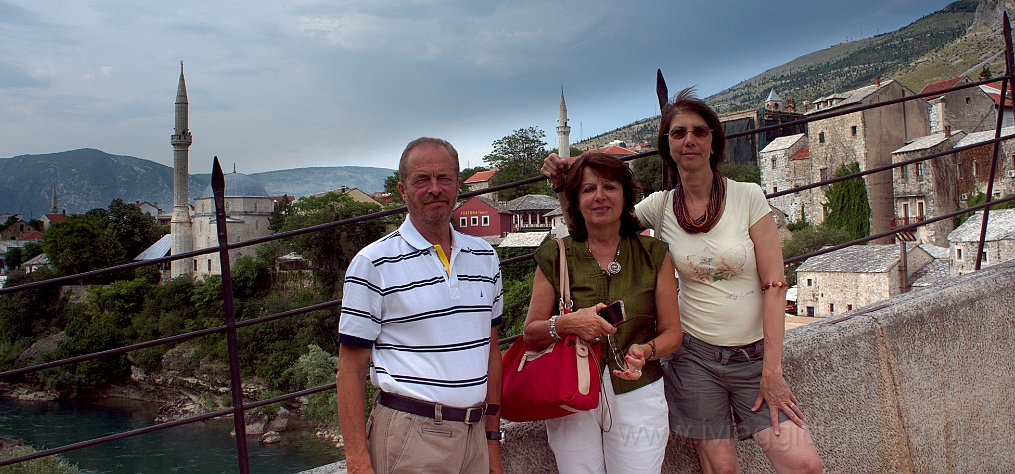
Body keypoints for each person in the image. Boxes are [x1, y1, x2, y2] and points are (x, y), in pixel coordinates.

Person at [542, 88, 823, 474]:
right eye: (678, 133)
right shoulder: (660, 206)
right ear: (667, 146)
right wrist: (565, 188)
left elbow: (775, 286)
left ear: (713, 142)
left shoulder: (748, 197)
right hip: (696, 359)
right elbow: (595, 226)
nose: (689, 140)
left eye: (699, 132)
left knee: (803, 463)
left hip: (754, 358)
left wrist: (771, 372)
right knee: (720, 470)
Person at [337, 137, 504, 474]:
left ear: (458, 185)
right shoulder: (373, 263)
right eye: (421, 180)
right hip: (411, 437)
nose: (434, 189)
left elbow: (491, 352)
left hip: (474, 437)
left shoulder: (485, 257)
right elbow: (350, 372)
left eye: (444, 178)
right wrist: (357, 462)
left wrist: (492, 441)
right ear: (402, 189)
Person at [524, 152, 682, 474]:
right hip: (571, 392)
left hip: (638, 390)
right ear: (576, 201)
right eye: (587, 189)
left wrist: (646, 351)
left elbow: (673, 333)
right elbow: (531, 332)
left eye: (609, 187)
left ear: (625, 196)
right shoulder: (557, 254)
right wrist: (568, 323)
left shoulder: (654, 254)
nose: (599, 196)